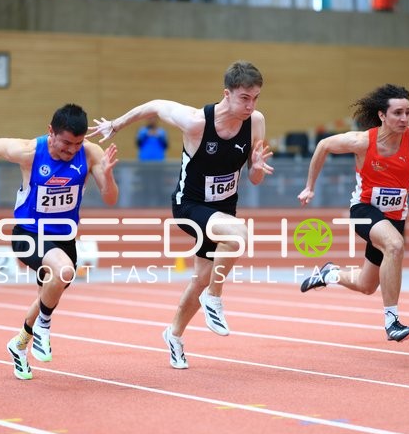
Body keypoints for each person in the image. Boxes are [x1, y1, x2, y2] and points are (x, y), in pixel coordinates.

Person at [88, 60, 273, 369]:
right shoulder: (196, 122)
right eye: (244, 98)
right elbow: (155, 105)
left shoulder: (256, 121)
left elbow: (254, 179)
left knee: (200, 278)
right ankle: (214, 297)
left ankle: (173, 334)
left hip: (223, 210)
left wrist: (256, 168)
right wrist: (116, 124)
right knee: (239, 235)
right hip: (190, 206)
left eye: (255, 98)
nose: (250, 106)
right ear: (227, 94)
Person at [0, 104, 119, 379]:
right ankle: (44, 327)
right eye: (66, 143)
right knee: (64, 271)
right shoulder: (30, 152)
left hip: (64, 238)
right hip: (29, 234)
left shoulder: (90, 153)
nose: (71, 150)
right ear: (51, 132)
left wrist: (107, 178)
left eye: (77, 144)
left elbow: (111, 199)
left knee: (50, 290)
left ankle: (20, 343)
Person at [297, 83, 409, 342]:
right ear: (382, 115)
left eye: (408, 112)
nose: (404, 118)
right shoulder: (362, 141)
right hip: (364, 209)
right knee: (395, 245)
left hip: (395, 216)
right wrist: (309, 186)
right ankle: (392, 322)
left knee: (366, 285)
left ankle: (329, 274)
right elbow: (324, 145)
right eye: (398, 113)